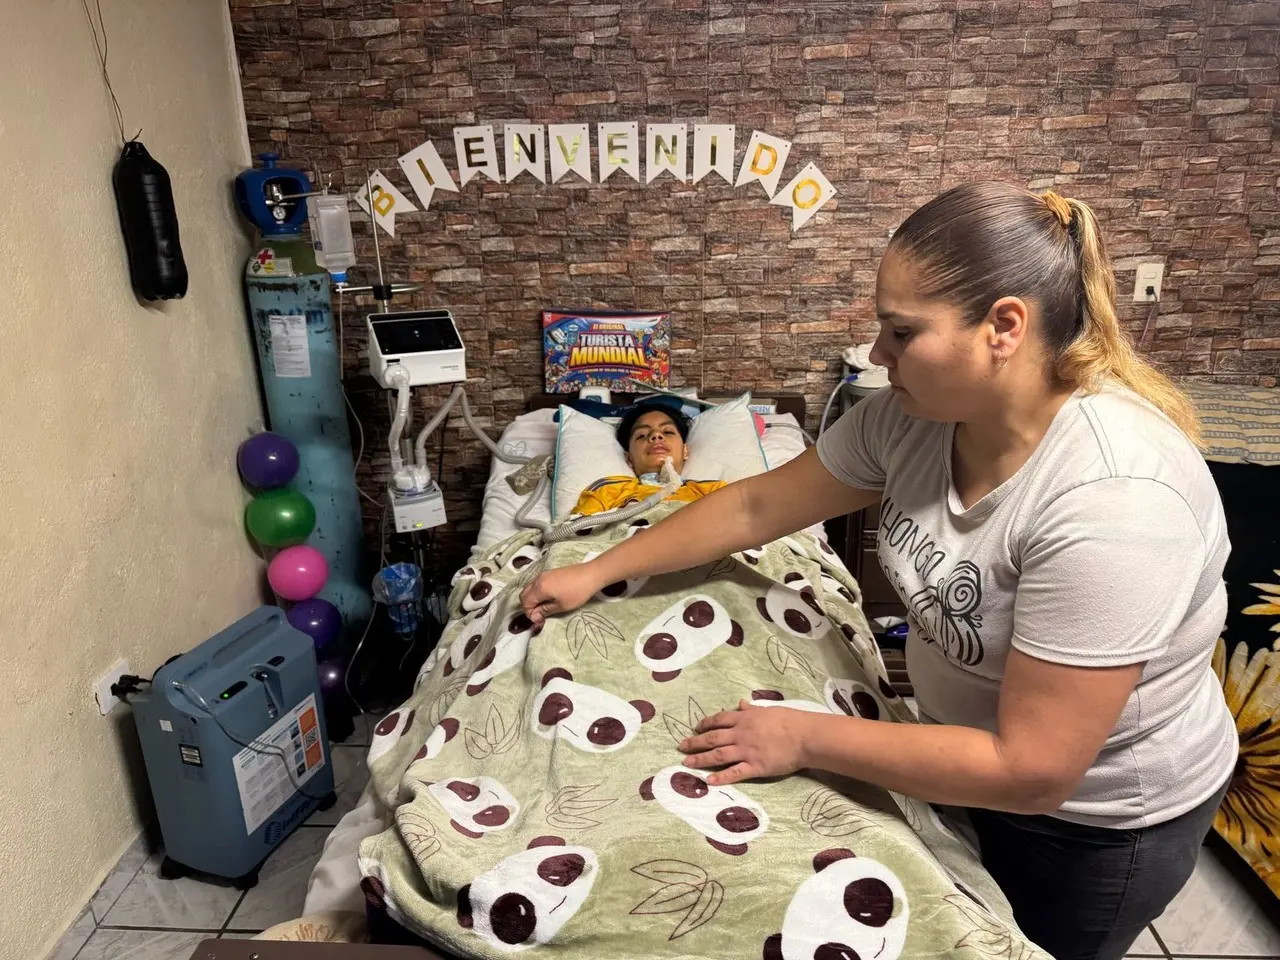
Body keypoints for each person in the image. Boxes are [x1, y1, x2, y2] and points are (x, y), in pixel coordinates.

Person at [521, 182, 1236, 960]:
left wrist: (801, 737)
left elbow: (1032, 770)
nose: (879, 357)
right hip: (964, 757)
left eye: (902, 332)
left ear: (1004, 327)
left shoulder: (1115, 500)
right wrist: (599, 570)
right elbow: (755, 509)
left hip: (1093, 827)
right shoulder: (911, 420)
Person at [569, 402, 727, 517]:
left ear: (685, 451)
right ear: (629, 458)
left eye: (668, 432)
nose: (656, 436)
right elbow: (573, 537)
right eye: (642, 435)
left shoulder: (713, 491)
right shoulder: (608, 490)